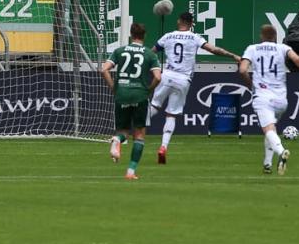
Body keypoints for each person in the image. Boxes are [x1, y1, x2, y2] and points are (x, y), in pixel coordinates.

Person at [149, 12, 240, 164]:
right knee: (171, 115)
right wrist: (232, 55)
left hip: (167, 75)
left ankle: (130, 129)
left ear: (179, 21)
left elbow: (152, 53)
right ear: (191, 24)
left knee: (154, 106)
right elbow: (214, 49)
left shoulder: (168, 36)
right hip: (183, 79)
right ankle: (163, 147)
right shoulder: (195, 37)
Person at [239, 25, 299, 175]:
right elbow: (297, 59)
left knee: (268, 130)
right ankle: (267, 164)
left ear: (262, 36)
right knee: (271, 130)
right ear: (275, 36)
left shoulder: (252, 48)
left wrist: (250, 84)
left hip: (263, 96)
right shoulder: (283, 48)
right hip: (281, 99)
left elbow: (242, 69)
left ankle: (281, 152)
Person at [100, 23, 162, 180]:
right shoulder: (149, 54)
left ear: (131, 35)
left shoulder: (119, 51)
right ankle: (130, 172)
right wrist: (148, 90)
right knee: (139, 134)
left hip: (122, 93)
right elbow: (158, 77)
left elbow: (104, 69)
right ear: (144, 36)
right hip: (140, 95)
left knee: (123, 132)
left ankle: (117, 139)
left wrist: (114, 87)